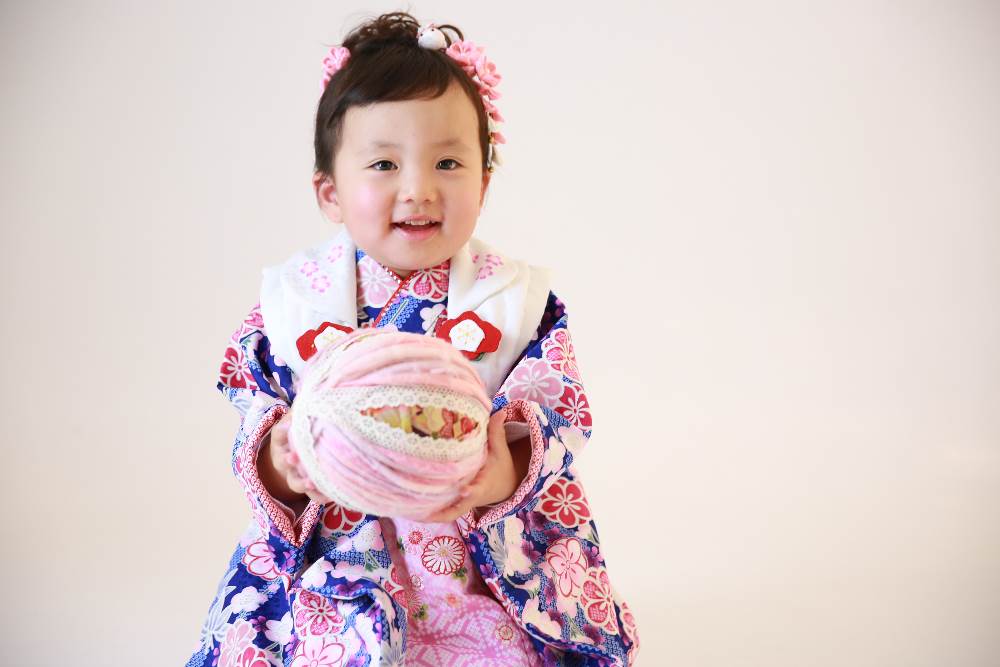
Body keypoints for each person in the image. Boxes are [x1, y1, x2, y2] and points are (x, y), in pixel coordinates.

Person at [189, 12, 639, 667]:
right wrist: (280, 461)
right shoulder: (296, 302)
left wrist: (503, 470)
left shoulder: (512, 300)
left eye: (448, 162)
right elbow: (253, 397)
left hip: (471, 546)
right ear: (330, 192)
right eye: (383, 163)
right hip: (339, 546)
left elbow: (557, 409)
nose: (419, 190)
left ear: (484, 182)